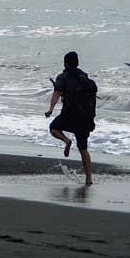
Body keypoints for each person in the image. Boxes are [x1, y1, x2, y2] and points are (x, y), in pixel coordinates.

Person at [45, 50, 96, 185]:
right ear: (77, 63)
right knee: (83, 148)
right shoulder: (84, 76)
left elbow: (56, 93)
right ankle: (89, 178)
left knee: (53, 127)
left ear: (65, 63)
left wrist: (50, 109)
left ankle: (66, 140)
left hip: (70, 115)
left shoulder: (63, 76)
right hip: (85, 117)